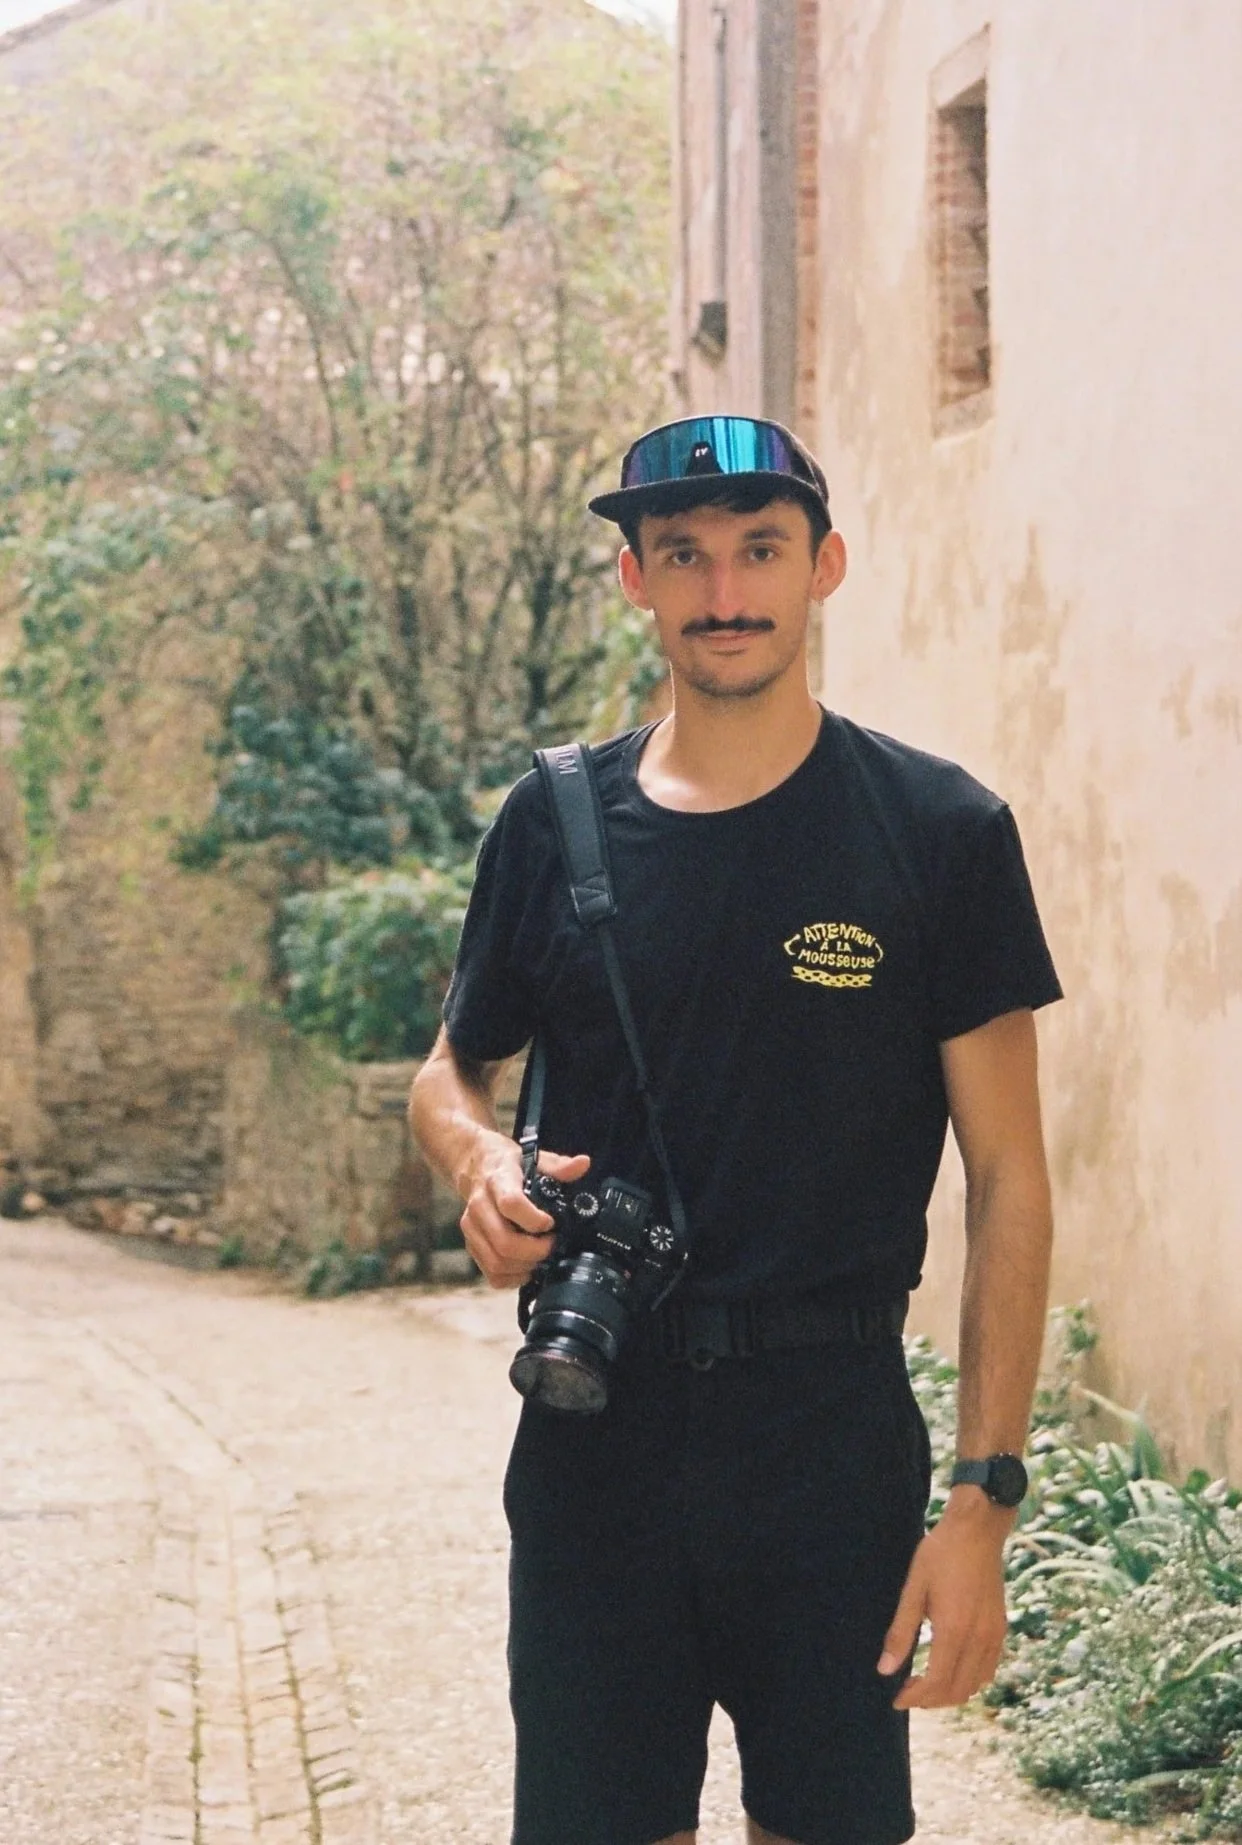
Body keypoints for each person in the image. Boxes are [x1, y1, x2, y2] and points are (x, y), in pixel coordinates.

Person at [409, 414, 1062, 1845]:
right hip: (596, 1434)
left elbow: (1009, 1178)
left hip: (827, 1445)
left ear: (823, 565)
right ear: (635, 580)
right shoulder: (551, 820)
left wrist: (980, 1505)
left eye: (759, 549)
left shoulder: (937, 831)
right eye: (683, 555)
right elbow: (448, 1073)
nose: (723, 591)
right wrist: (481, 1162)